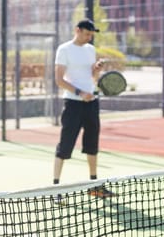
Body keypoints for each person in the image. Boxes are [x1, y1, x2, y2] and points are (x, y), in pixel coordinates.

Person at [52, 18, 115, 197]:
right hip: (73, 104)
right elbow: (59, 80)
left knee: (92, 145)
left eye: (91, 35)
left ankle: (94, 186)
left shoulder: (90, 49)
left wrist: (96, 68)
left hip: (91, 104)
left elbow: (91, 77)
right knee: (65, 146)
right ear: (77, 30)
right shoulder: (64, 50)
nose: (89, 38)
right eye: (87, 34)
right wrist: (80, 93)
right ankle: (56, 188)